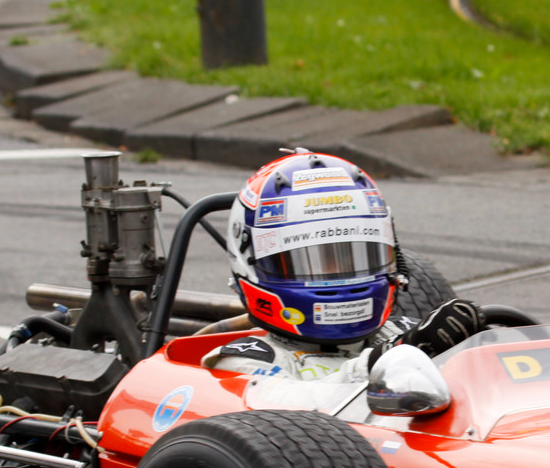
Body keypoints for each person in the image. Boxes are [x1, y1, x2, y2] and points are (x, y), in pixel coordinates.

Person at [205, 151, 480, 382]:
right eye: (312, 262)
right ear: (248, 262)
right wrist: (392, 356)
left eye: (355, 257)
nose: (339, 275)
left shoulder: (405, 332)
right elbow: (299, 413)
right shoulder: (243, 362)